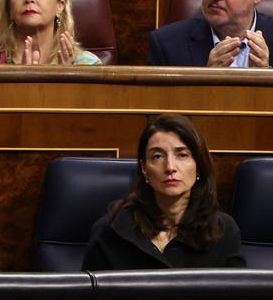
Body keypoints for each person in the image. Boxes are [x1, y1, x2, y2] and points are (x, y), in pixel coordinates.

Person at [83, 114, 246, 270]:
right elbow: (88, 298)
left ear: (198, 166)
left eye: (182, 155)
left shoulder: (223, 230)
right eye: (158, 157)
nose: (170, 167)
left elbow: (239, 296)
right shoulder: (111, 231)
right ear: (144, 169)